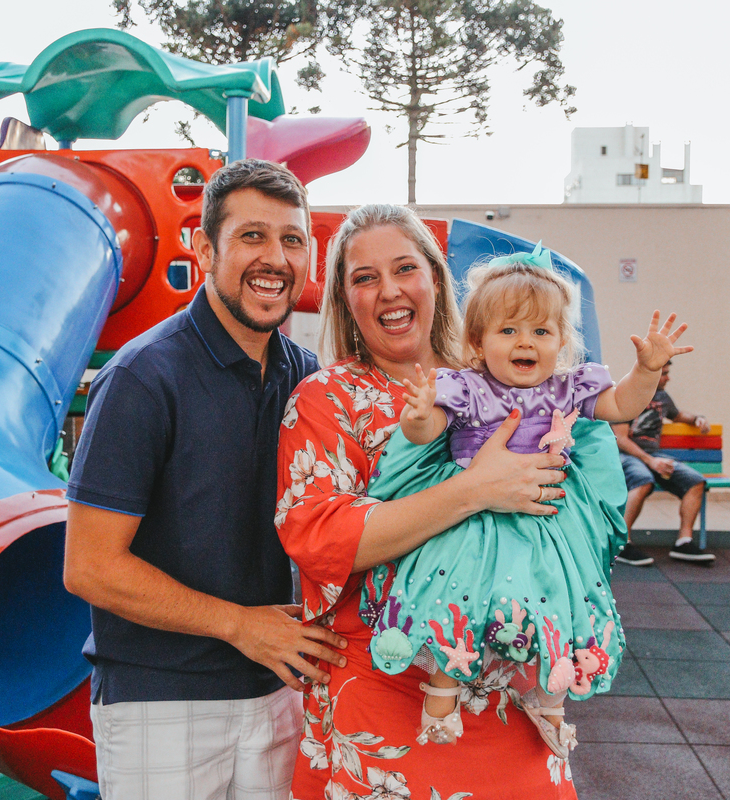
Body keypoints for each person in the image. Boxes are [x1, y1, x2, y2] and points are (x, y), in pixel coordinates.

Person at [275, 204, 664, 799]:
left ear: (436, 278)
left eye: (405, 268)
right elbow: (319, 538)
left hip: (515, 690)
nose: (389, 290)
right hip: (386, 692)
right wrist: (474, 490)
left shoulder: (505, 372)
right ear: (344, 299)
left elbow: (590, 499)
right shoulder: (327, 398)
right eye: (364, 277)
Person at [63, 159, 346, 800]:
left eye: (292, 239)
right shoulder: (142, 377)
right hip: (161, 700)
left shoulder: (307, 378)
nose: (275, 258)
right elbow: (89, 567)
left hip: (279, 690)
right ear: (205, 248)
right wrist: (242, 626)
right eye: (252, 236)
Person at [383, 246, 691, 756]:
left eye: (541, 331)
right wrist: (417, 416)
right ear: (478, 341)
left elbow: (620, 404)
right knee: (456, 594)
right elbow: (427, 430)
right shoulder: (467, 388)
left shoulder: (566, 389)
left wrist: (647, 370)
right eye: (508, 330)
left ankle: (550, 697)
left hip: (545, 519)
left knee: (555, 597)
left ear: (562, 341)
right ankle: (441, 694)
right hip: (474, 522)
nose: (525, 341)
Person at [613, 361, 716, 565]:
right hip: (625, 455)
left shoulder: (662, 397)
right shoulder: (627, 395)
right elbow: (621, 439)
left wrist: (697, 418)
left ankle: (684, 543)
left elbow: (677, 415)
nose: (668, 378)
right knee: (642, 480)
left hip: (654, 455)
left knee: (695, 481)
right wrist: (651, 461)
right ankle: (622, 543)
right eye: (664, 374)